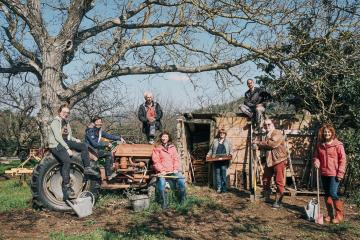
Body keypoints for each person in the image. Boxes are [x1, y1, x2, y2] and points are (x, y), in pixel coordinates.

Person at [48, 104, 99, 200]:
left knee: (84, 146)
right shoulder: (55, 122)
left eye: (67, 112)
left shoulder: (66, 123)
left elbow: (68, 137)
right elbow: (58, 137)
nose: (66, 114)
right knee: (66, 160)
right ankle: (66, 186)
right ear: (59, 112)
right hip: (56, 144)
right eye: (64, 112)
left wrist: (75, 140)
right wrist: (67, 148)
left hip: (64, 142)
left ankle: (87, 167)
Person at [313, 123, 347, 224]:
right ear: (322, 134)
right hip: (324, 173)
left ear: (332, 133)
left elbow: (343, 159)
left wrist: (340, 173)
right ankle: (330, 214)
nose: (326, 133)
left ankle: (339, 214)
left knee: (333, 193)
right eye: (325, 132)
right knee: (327, 194)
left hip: (334, 174)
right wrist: (316, 161)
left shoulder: (338, 145)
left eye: (328, 132)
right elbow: (316, 156)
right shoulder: (320, 145)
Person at [253, 119, 287, 208]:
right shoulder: (267, 135)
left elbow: (272, 144)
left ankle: (278, 201)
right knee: (265, 179)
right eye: (265, 125)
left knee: (279, 181)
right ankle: (266, 196)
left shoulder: (277, 133)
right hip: (270, 161)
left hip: (279, 160)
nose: (267, 126)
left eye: (269, 124)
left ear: (273, 124)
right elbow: (266, 146)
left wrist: (258, 143)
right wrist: (257, 146)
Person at [151, 130, 186, 209]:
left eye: (166, 137)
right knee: (162, 182)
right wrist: (161, 170)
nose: (164, 138)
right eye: (163, 136)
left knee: (180, 179)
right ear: (161, 138)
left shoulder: (172, 147)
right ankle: (164, 203)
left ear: (168, 138)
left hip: (173, 170)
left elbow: (176, 159)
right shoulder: (157, 148)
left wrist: (176, 168)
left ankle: (182, 200)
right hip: (162, 171)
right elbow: (156, 161)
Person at [85, 116, 125, 181]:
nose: (99, 123)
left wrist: (119, 138)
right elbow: (94, 144)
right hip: (90, 150)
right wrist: (106, 144)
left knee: (110, 150)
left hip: (95, 150)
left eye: (100, 122)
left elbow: (109, 136)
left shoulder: (99, 131)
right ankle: (109, 174)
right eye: (97, 122)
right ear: (93, 123)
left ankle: (109, 173)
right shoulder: (90, 131)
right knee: (108, 153)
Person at [206, 128, 232, 193]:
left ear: (225, 134)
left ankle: (224, 188)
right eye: (220, 133)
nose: (222, 134)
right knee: (217, 174)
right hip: (216, 160)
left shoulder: (228, 141)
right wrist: (208, 155)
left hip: (224, 160)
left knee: (223, 174)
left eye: (223, 133)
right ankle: (219, 188)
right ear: (219, 134)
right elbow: (211, 150)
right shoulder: (215, 141)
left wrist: (230, 154)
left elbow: (231, 149)